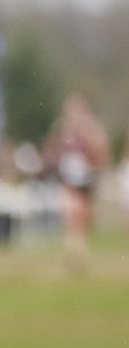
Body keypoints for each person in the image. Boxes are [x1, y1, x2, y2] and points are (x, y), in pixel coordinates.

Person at [47, 95, 113, 276]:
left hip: (86, 180)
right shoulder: (62, 130)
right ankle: (75, 254)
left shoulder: (92, 131)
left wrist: (96, 169)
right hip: (69, 180)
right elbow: (53, 149)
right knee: (71, 214)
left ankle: (78, 253)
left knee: (81, 220)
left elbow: (101, 153)